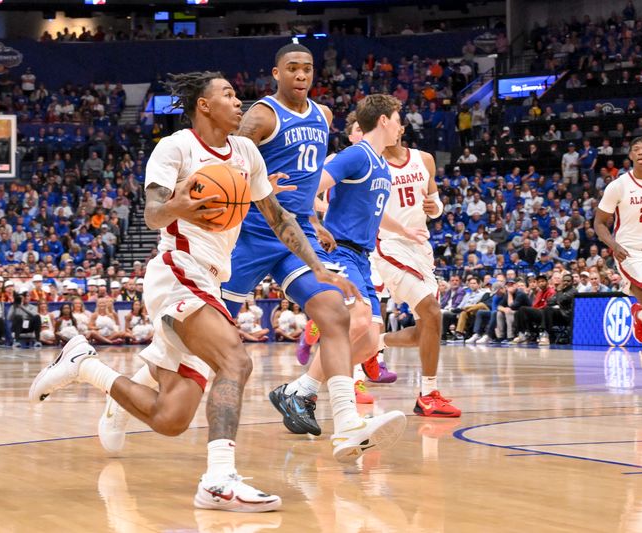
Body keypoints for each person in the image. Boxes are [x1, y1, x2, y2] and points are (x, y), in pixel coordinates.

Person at [29, 70, 383, 513]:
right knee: (235, 358)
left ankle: (85, 366)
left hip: (213, 276)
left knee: (170, 418)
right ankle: (218, 479)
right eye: (229, 95)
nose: (239, 103)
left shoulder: (247, 152)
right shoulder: (175, 147)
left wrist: (319, 269)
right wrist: (179, 205)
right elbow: (155, 214)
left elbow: (277, 218)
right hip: (177, 271)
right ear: (204, 105)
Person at [220, 44, 406, 441]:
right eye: (292, 68)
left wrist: (313, 218)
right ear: (276, 73)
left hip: (295, 234)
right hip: (250, 232)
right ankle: (125, 389)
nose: (301, 75)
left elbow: (306, 183)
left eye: (307, 68)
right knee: (203, 336)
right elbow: (228, 158)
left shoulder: (323, 115)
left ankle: (346, 422)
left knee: (336, 313)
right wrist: (252, 183)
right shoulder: (262, 114)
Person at [273, 93, 413, 415]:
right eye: (397, 120)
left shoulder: (382, 165)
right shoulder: (356, 156)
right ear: (382, 121)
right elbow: (310, 186)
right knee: (357, 319)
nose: (400, 127)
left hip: (363, 258)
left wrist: (404, 231)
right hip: (341, 252)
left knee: (369, 341)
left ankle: (299, 389)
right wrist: (313, 222)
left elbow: (374, 214)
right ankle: (313, 397)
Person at [371, 127, 462, 417]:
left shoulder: (424, 159)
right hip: (389, 246)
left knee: (427, 329)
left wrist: (435, 206)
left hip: (421, 248)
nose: (391, 128)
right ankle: (429, 393)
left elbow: (435, 208)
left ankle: (375, 343)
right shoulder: (372, 164)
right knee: (434, 312)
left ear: (400, 127)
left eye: (395, 122)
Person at [594, 137, 642, 392]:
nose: (640, 152)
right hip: (630, 253)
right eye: (635, 149)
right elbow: (599, 223)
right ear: (630, 156)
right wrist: (614, 246)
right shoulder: (619, 186)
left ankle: (641, 314)